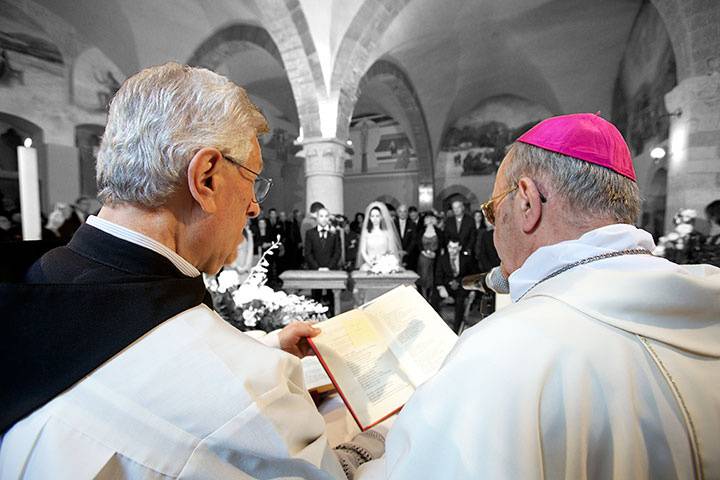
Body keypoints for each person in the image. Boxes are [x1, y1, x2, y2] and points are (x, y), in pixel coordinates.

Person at [1, 63, 383, 478]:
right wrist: (382, 436)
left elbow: (119, 363)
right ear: (206, 178)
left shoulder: (37, 281)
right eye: (253, 179)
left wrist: (267, 346)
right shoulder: (250, 393)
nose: (255, 206)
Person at [361, 113, 720, 478]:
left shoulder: (503, 352)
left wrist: (363, 447)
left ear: (527, 203)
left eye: (492, 210)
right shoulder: (708, 307)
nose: (492, 228)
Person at [304, 207, 342, 315]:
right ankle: (315, 319)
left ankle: (333, 316)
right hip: (315, 270)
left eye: (326, 216)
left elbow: (337, 252)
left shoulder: (334, 233)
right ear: (317, 218)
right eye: (321, 216)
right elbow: (308, 253)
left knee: (332, 297)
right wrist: (317, 268)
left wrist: (329, 267)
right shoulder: (310, 233)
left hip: (331, 270)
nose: (324, 219)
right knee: (316, 297)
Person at [435, 239, 476, 332]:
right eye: (450, 247)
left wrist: (473, 290)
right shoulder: (442, 259)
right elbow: (438, 275)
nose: (452, 250)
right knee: (434, 297)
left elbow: (471, 276)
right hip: (446, 286)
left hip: (461, 287)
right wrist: (441, 287)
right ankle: (436, 326)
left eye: (454, 248)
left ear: (459, 248)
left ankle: (456, 330)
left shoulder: (466, 259)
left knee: (460, 301)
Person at [356, 201, 401, 270]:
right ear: (369, 218)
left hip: (385, 265)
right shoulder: (366, 232)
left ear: (381, 217)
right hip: (369, 265)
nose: (375, 219)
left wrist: (384, 263)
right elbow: (363, 250)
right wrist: (370, 263)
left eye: (377, 216)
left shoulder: (387, 232)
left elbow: (391, 250)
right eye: (372, 216)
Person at [415, 211, 443, 302]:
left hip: (435, 258)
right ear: (425, 220)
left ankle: (431, 298)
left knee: (433, 278)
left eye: (432, 218)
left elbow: (442, 244)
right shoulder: (421, 230)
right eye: (428, 219)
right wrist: (423, 251)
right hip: (423, 257)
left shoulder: (438, 231)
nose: (430, 220)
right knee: (423, 277)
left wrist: (436, 253)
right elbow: (418, 243)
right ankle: (423, 297)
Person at [394, 204, 418, 271]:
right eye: (400, 211)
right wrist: (397, 250)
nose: (402, 213)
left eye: (404, 211)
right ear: (397, 213)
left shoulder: (412, 224)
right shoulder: (393, 224)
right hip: (395, 254)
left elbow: (414, 239)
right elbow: (391, 238)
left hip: (409, 255)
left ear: (407, 213)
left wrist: (406, 251)